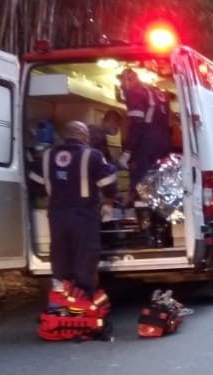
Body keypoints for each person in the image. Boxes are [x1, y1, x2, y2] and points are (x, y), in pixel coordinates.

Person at [28, 120, 118, 301]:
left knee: (60, 254)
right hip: (83, 215)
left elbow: (34, 182)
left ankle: (60, 298)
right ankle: (84, 299)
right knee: (85, 256)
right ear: (85, 136)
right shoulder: (92, 155)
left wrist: (48, 194)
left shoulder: (46, 155)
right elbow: (108, 182)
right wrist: (108, 201)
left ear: (64, 137)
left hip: (57, 215)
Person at [118, 67, 171, 205]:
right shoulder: (158, 92)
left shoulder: (135, 92)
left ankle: (141, 215)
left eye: (122, 82)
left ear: (129, 79)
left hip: (146, 144)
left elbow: (137, 124)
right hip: (163, 144)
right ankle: (158, 216)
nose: (121, 86)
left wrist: (127, 152)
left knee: (141, 186)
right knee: (157, 185)